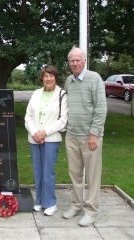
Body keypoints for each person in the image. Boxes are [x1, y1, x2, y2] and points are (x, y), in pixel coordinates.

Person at [62, 46, 107, 227]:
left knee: (93, 175)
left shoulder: (94, 78)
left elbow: (101, 108)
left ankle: (91, 211)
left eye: (78, 60)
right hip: (72, 135)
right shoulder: (68, 81)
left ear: (84, 60)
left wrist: (94, 134)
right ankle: (76, 205)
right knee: (75, 174)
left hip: (90, 137)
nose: (75, 63)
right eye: (72, 60)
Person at [24, 65, 68, 216]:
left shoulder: (62, 94)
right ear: (42, 78)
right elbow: (28, 116)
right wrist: (35, 133)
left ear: (56, 77)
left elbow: (63, 120)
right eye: (45, 76)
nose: (48, 79)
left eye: (51, 76)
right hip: (34, 138)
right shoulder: (36, 93)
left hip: (51, 139)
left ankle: (51, 203)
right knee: (38, 172)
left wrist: (44, 133)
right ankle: (40, 202)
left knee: (48, 171)